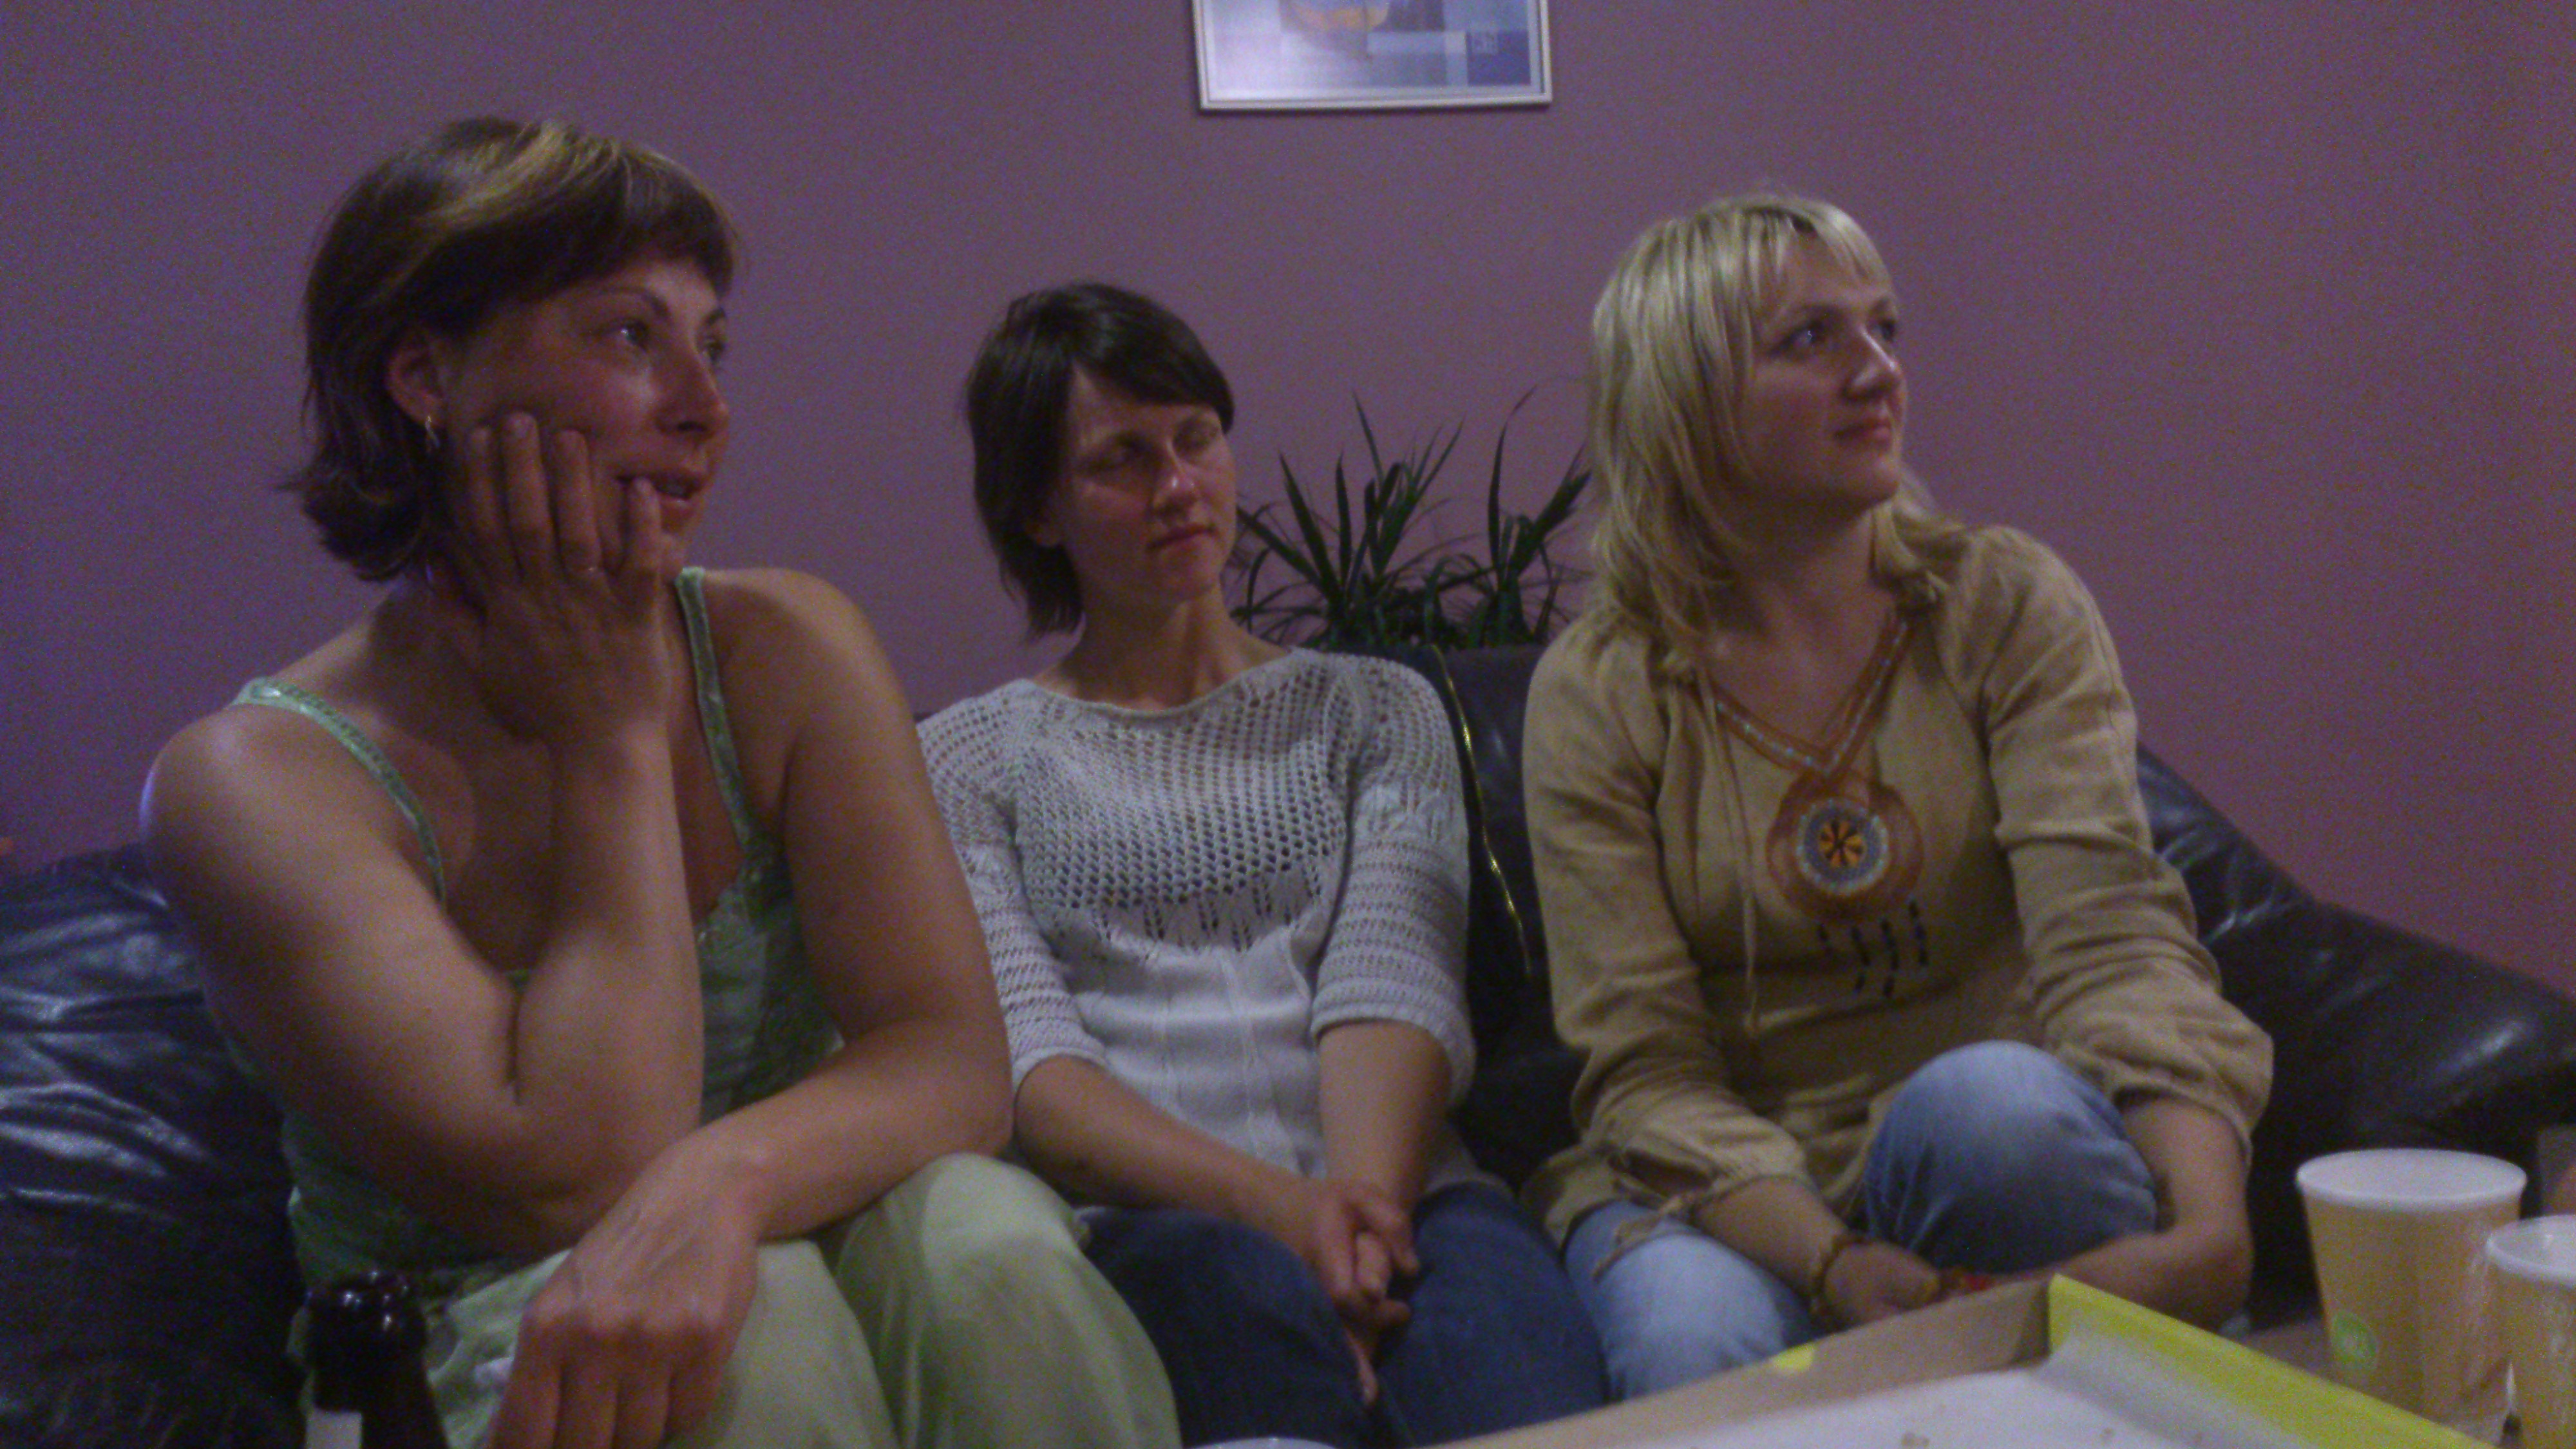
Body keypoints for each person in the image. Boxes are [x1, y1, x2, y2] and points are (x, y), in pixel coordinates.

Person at [140, 118, 1176, 1449]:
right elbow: (572, 1177)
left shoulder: (787, 645)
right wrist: (614, 736)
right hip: (488, 1318)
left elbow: (952, 1062)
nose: (705, 407)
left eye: (712, 344)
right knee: (764, 1345)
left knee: (996, 1259)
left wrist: (722, 1184)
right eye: (632, 336)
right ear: (425, 376)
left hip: (801, 1204)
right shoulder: (255, 782)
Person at [1522, 193, 2275, 1399]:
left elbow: (2116, 945)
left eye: (1884, 328)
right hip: (1727, 1187)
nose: (1878, 371)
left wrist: (2206, 1232)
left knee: (1995, 1112)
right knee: (1686, 1341)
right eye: (1811, 339)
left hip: (1987, 1134)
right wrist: (1830, 1259)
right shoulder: (1601, 688)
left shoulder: (2001, 604)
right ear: (1685, 398)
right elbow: (1645, 1070)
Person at [920, 282, 1608, 1448]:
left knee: (1513, 1371)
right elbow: (1036, 1073)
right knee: (1248, 1323)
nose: (1178, 484)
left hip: (1410, 1196)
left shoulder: (1377, 706)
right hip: (1151, 1221)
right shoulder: (968, 757)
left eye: (1196, 437)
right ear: (1037, 509)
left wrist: (1358, 1221)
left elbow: (1396, 983)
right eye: (1122, 459)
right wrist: (1288, 1215)